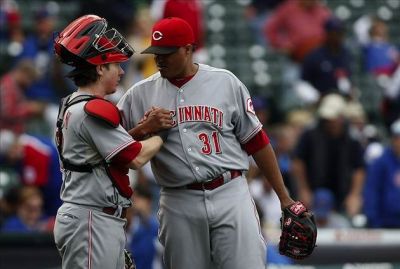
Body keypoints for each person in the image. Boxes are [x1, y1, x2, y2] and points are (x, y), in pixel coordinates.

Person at [118, 17, 298, 269]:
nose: (159, 58)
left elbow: (257, 141)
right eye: (156, 52)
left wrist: (284, 198)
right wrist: (142, 130)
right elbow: (113, 148)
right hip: (178, 200)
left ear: (189, 49)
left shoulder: (225, 82)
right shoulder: (138, 94)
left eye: (167, 52)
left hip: (230, 191)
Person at [52, 14, 172, 269]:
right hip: (91, 219)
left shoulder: (74, 103)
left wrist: (142, 129)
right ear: (99, 67)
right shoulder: (90, 110)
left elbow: (108, 152)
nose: (121, 71)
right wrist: (161, 133)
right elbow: (135, 158)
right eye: (115, 64)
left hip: (92, 217)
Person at [292, 94, 365, 217]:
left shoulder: (352, 138)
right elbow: (298, 162)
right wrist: (303, 189)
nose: (329, 122)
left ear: (341, 117)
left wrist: (354, 195)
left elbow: (359, 169)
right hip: (314, 194)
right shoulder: (310, 134)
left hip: (342, 195)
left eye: (332, 118)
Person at [363, 118, 400, 228]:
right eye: (397, 138)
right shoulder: (381, 162)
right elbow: (372, 191)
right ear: (393, 139)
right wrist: (374, 221)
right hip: (386, 222)